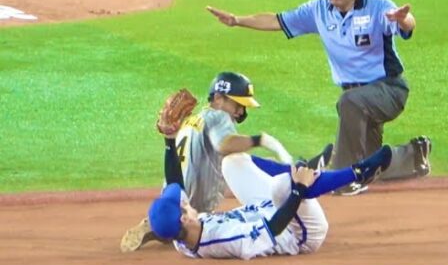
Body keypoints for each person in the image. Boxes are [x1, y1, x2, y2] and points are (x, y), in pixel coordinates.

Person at [207, 0, 431, 196]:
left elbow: (407, 24)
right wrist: (236, 20)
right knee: (368, 162)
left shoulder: (377, 6)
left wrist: (404, 19)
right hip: (358, 100)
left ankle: (344, 180)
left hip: (389, 90)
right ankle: (413, 155)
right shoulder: (318, 10)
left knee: (349, 105)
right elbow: (276, 20)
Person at [120, 71, 320, 252]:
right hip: (195, 207)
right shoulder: (219, 116)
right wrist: (261, 140)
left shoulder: (192, 120)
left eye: (243, 106)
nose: (241, 111)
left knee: (239, 165)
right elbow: (224, 145)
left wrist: (168, 140)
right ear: (218, 99)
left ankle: (161, 224)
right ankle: (170, 224)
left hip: (174, 192)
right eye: (237, 104)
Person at [142, 139, 394, 260]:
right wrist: (299, 189)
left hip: (265, 207)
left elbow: (174, 183)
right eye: (182, 205)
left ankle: (303, 170)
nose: (184, 200)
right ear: (184, 219)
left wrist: (169, 141)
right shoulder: (225, 241)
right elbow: (274, 228)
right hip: (298, 232)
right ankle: (359, 172)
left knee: (232, 162)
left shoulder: (181, 234)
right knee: (283, 186)